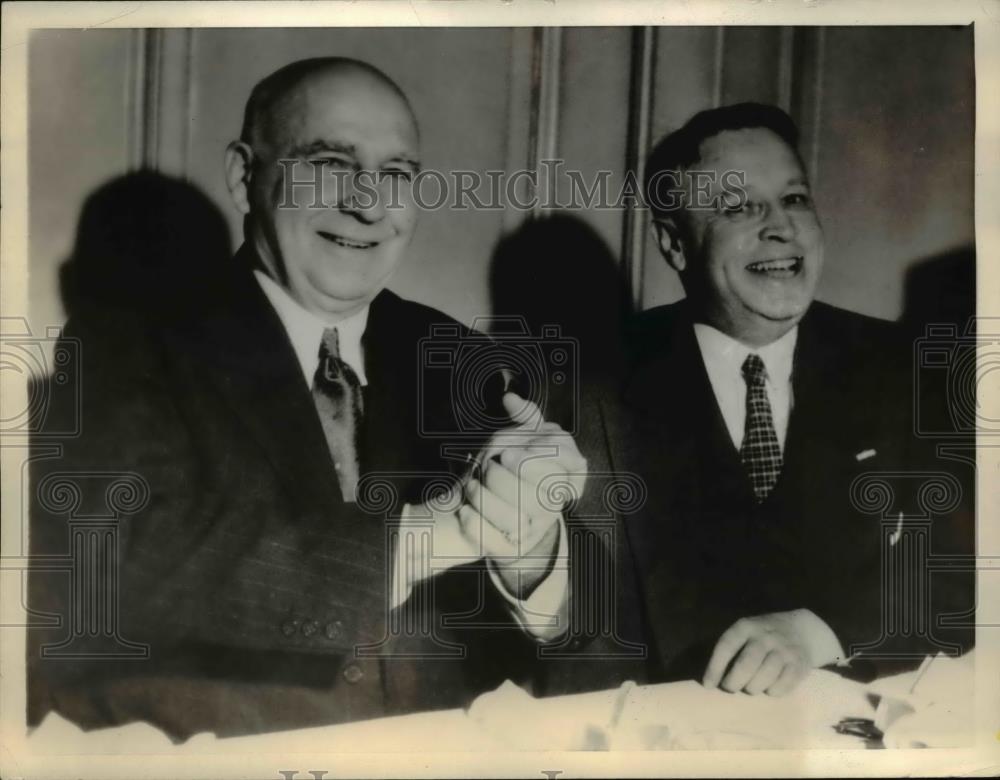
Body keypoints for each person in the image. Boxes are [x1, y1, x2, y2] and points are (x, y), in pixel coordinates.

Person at [28, 58, 586, 740]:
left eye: (397, 174)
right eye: (330, 162)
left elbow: (570, 628)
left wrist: (530, 540)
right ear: (244, 176)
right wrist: (442, 534)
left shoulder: (451, 354)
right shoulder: (125, 348)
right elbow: (130, 562)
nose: (369, 204)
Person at [597, 102, 973, 696]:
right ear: (673, 244)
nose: (781, 227)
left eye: (794, 199)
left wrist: (821, 632)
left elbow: (969, 578)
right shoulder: (594, 382)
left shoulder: (911, 368)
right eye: (738, 207)